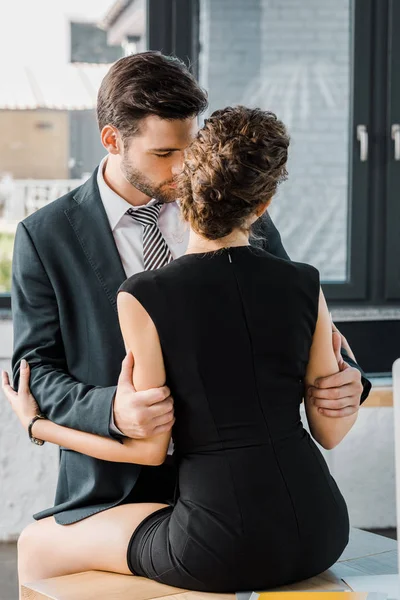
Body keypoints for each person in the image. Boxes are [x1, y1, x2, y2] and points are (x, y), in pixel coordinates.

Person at [4, 105, 364, 593]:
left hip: (212, 533)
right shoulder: (306, 281)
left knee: (33, 545)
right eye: (164, 152)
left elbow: (150, 450)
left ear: (193, 174)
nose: (175, 165)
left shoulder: (142, 294)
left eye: (184, 153)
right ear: (261, 204)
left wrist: (33, 424)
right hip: (321, 523)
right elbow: (328, 426)